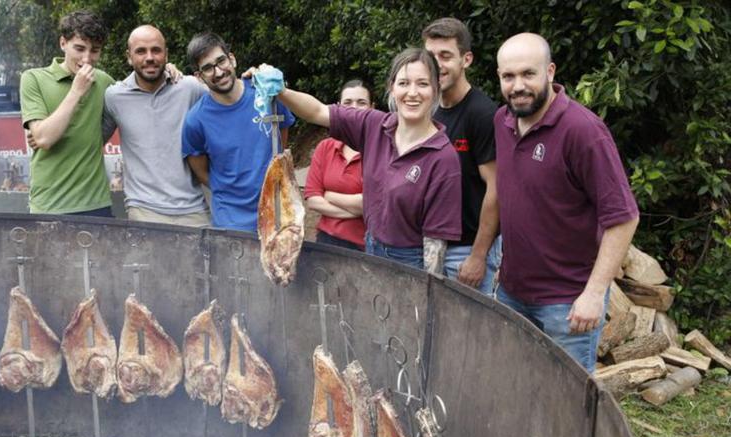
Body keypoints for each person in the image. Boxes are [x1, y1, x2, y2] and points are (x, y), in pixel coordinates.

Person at [494, 33, 639, 373]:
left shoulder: (583, 131)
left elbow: (624, 217)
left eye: (528, 74)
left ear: (550, 72)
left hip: (567, 304)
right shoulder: (502, 122)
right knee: (515, 388)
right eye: (508, 76)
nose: (518, 85)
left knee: (567, 407)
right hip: (512, 294)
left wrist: (594, 293)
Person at [263, 48, 462, 275]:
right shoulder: (374, 125)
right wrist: (281, 91)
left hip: (410, 261)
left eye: (423, 84)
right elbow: (317, 111)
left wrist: (429, 288)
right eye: (404, 83)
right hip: (370, 246)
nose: (412, 93)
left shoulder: (443, 157)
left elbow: (435, 241)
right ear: (392, 88)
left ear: (436, 90)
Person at [182, 32, 295, 232]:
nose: (218, 72)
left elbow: (280, 142)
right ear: (199, 77)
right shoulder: (195, 121)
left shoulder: (267, 93)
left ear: (232, 59)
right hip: (232, 223)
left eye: (221, 61)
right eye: (208, 68)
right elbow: (202, 173)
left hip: (278, 214)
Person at [423, 18, 501, 295]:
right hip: (431, 246)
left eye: (446, 56)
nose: (437, 65)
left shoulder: (482, 113)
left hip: (467, 251)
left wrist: (478, 256)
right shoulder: (428, 112)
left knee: (470, 336)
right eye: (431, 56)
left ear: (466, 59)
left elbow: (497, 189)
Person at [103, 25, 210, 226]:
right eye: (141, 51)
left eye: (156, 50)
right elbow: (91, 141)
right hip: (143, 210)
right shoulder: (114, 97)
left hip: (194, 209)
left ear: (166, 54)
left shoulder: (189, 88)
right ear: (129, 56)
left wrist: (257, 79)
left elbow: (228, 101)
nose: (149, 57)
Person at [20, 10, 114, 216]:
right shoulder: (33, 78)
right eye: (79, 48)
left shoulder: (105, 81)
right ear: (63, 43)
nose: (87, 59)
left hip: (96, 204)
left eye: (95, 50)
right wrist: (77, 90)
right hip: (49, 206)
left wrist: (169, 70)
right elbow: (44, 138)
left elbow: (137, 94)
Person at [303, 80, 372, 251]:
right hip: (327, 243)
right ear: (339, 108)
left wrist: (329, 196)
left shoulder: (380, 150)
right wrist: (356, 210)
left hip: (366, 247)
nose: (354, 108)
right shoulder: (325, 147)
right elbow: (312, 200)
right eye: (348, 102)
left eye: (361, 102)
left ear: (372, 108)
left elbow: (371, 204)